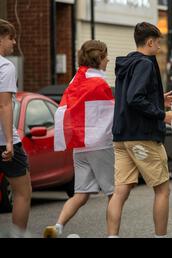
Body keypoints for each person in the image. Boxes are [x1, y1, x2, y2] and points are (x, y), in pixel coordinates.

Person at [107, 22, 172, 238]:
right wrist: (162, 114)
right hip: (142, 137)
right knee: (162, 190)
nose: (159, 48)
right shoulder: (145, 64)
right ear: (149, 42)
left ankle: (112, 237)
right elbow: (135, 98)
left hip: (121, 137)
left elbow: (131, 96)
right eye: (158, 43)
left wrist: (159, 99)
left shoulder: (127, 63)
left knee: (120, 191)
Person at [43, 40, 115, 238]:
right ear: (99, 58)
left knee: (81, 194)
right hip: (100, 144)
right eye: (106, 56)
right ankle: (112, 235)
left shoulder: (76, 79)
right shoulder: (98, 83)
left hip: (80, 146)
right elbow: (111, 112)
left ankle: (58, 226)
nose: (108, 60)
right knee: (114, 193)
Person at [0, 19, 31, 237]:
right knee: (22, 192)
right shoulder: (5, 66)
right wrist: (10, 140)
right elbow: (4, 104)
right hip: (3, 141)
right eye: (11, 37)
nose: (14, 43)